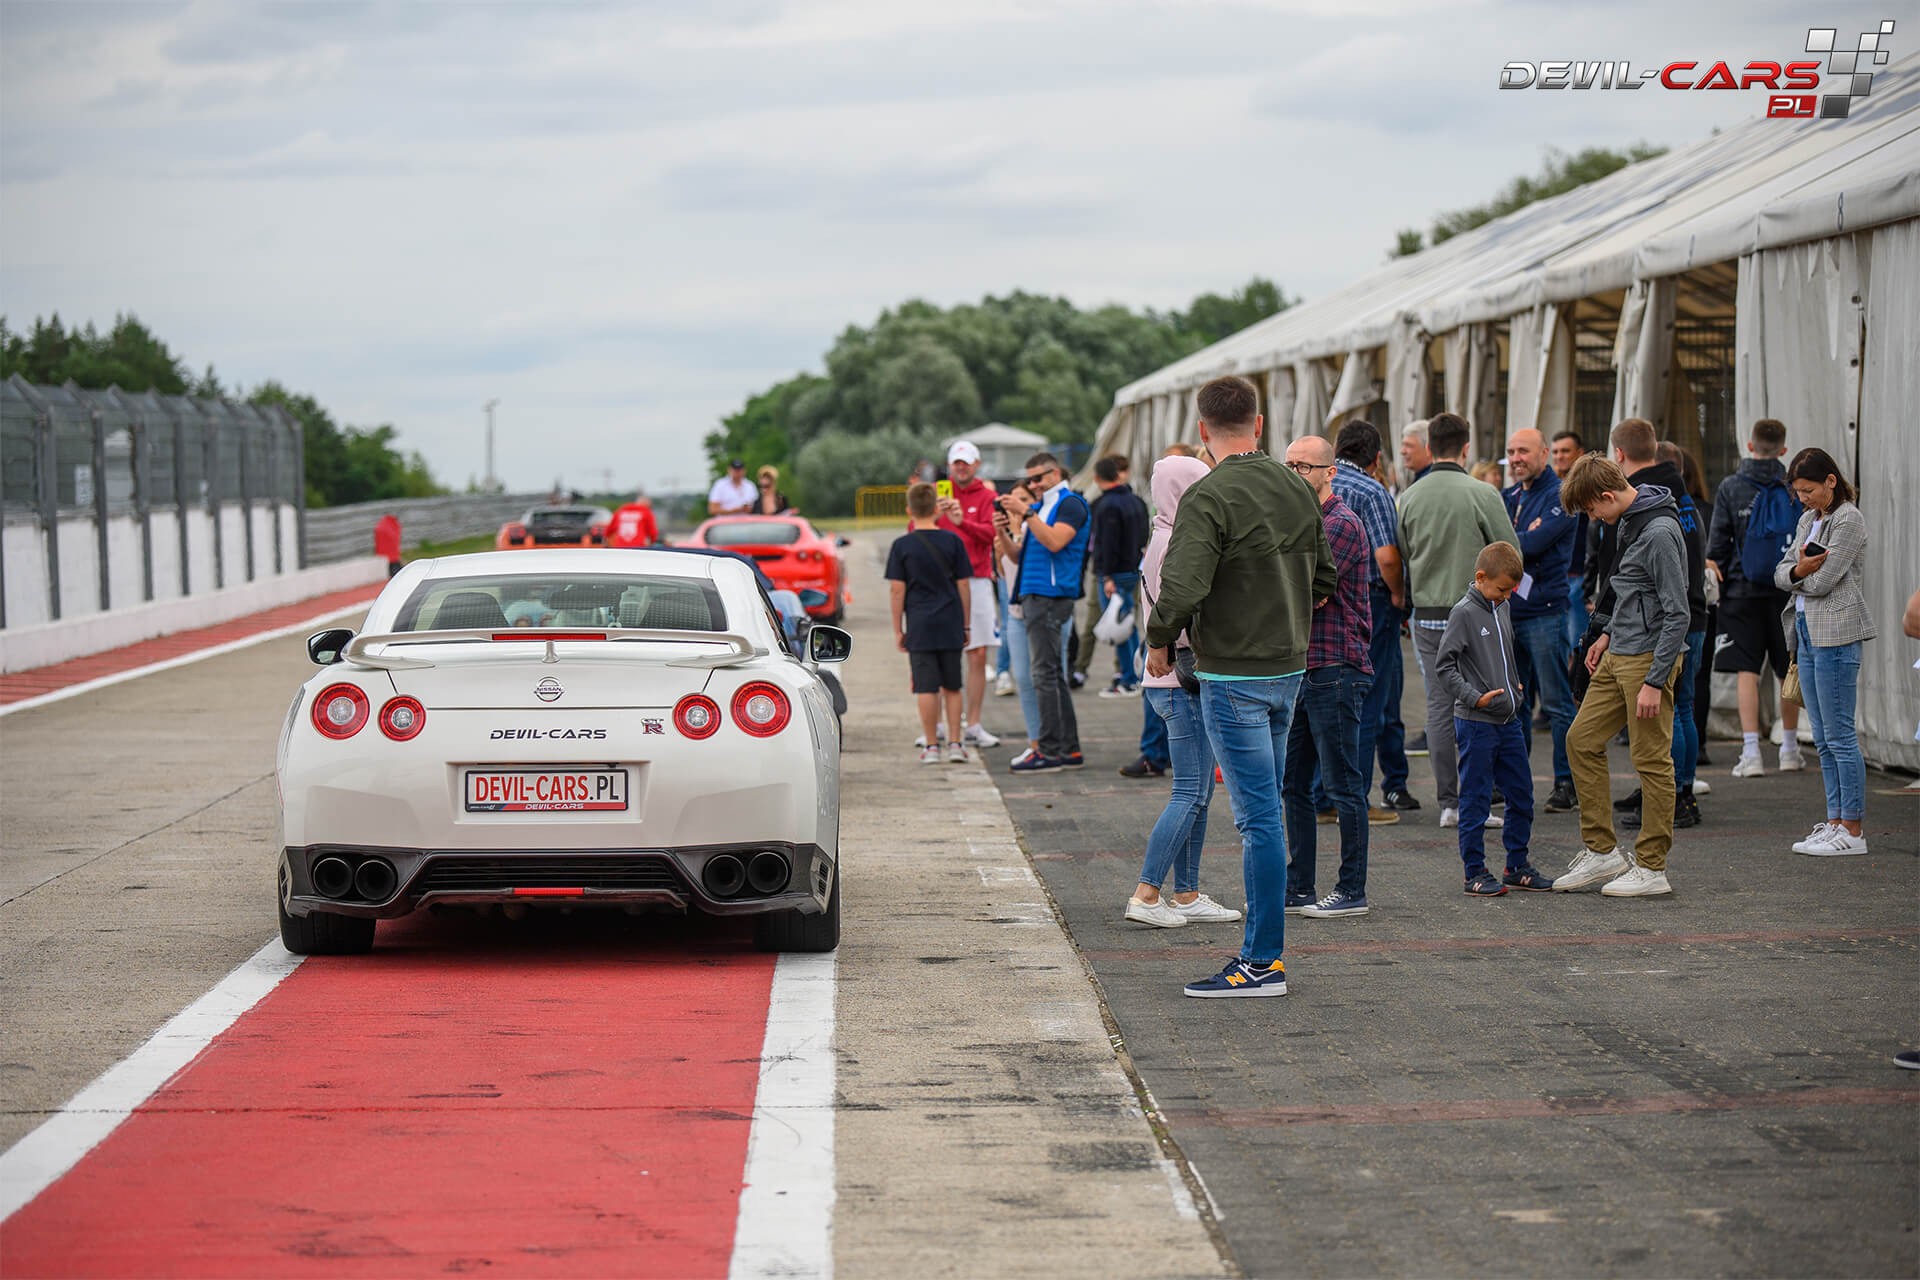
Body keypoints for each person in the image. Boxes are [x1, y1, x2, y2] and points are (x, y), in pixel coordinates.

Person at [1144, 375, 1335, 999]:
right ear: (1259, 423)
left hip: (1233, 674)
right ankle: (1262, 958)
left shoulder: (1209, 493)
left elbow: (1183, 585)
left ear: (1203, 430)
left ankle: (1260, 962)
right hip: (1288, 667)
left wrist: (1159, 639)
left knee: (1258, 821)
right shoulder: (1296, 485)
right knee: (1267, 812)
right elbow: (1325, 576)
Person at [1553, 453, 1690, 897]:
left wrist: (1655, 679)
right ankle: (1602, 852)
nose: (1593, 518)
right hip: (1621, 651)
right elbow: (1634, 591)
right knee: (1581, 740)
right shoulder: (1632, 519)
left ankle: (1652, 867)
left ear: (1607, 495)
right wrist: (1608, 634)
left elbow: (1678, 612)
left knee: (1651, 761)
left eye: (1592, 509)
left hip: (1647, 659)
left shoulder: (1659, 531)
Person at [1124, 454, 1242, 929]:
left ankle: (1187, 893)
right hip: (1180, 677)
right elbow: (1179, 609)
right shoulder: (1178, 541)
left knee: (1198, 792)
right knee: (1191, 791)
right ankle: (1147, 893)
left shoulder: (1161, 534)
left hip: (1167, 678)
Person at [1396, 411, 1520, 830]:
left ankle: (1449, 802)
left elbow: (1402, 552)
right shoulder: (1482, 493)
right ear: (1466, 448)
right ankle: (1476, 799)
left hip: (1428, 614)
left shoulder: (1410, 497)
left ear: (1429, 448)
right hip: (1475, 611)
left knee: (1438, 704)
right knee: (1481, 702)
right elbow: (1510, 552)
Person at [1280, 436, 1378, 918]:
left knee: (1342, 787)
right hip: (1304, 668)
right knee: (1293, 784)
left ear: (1329, 472)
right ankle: (1299, 886)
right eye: (1289, 465)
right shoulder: (1299, 521)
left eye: (1304, 466)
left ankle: (1351, 889)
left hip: (1335, 666)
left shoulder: (1339, 523)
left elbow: (1304, 592)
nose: (1295, 473)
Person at [1434, 541, 1555, 895]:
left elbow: (1505, 652)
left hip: (1509, 720)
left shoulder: (1501, 606)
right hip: (1476, 723)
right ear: (1481, 577)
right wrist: (1475, 697)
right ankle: (1474, 872)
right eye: (1502, 589)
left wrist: (1514, 685)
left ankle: (1516, 865)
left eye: (1510, 590)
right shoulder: (1463, 613)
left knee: (1522, 795)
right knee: (1475, 799)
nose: (1506, 596)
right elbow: (1444, 666)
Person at [1605, 427, 1707, 832]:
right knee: (1683, 708)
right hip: (1692, 611)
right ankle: (1678, 791)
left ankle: (1674, 796)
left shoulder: (1642, 503)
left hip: (1668, 620)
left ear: (1619, 454)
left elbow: (1622, 568)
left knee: (1672, 711)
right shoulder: (1679, 496)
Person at [1778, 448, 1876, 856]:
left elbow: (1824, 581)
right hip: (1805, 630)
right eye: (1798, 492)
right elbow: (1781, 572)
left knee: (1839, 734)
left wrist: (1798, 573)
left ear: (1830, 481)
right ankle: (1834, 821)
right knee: (1820, 735)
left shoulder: (1848, 519)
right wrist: (1799, 570)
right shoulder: (1808, 519)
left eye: (1809, 490)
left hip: (1836, 633)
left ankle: (1852, 828)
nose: (1803, 498)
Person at [1706, 418, 1804, 776]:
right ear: (1783, 449)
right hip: (1786, 590)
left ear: (1750, 446)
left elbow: (1718, 543)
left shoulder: (1731, 486)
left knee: (1747, 670)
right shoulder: (1794, 485)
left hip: (1740, 591)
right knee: (1786, 668)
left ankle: (1751, 753)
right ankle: (1790, 748)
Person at [1331, 421, 1416, 814]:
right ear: (1376, 457)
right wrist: (1398, 594)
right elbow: (1387, 557)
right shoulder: (1371, 490)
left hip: (1323, 602)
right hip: (1370, 601)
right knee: (1368, 697)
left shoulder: (1315, 483)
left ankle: (1322, 795)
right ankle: (1356, 798)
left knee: (1326, 698)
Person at [1502, 428, 1579, 814]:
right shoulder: (1509, 495)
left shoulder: (1561, 495)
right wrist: (1519, 537)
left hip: (1546, 613)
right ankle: (1516, 782)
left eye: (1524, 451)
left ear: (1543, 453)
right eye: (1511, 451)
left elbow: (1528, 545)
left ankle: (1567, 783)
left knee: (1556, 703)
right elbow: (1495, 544)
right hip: (1510, 613)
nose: (1516, 458)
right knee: (1515, 704)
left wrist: (1514, 538)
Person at [999, 453, 1090, 772]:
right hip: (1036, 595)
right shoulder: (1043, 506)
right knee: (1051, 675)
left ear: (1056, 473)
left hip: (1050, 596)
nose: (1034, 485)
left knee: (1045, 675)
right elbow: (1019, 556)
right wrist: (1004, 531)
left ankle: (1050, 751)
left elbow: (1055, 542)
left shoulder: (1070, 504)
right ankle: (1067, 749)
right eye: (1030, 480)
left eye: (1038, 478)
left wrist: (1027, 513)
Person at [886, 483, 973, 765]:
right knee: (952, 686)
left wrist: (898, 629)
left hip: (920, 624)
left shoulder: (902, 546)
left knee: (926, 687)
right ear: (937, 509)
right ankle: (956, 744)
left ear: (909, 511)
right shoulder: (954, 541)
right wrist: (966, 624)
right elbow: (963, 585)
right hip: (950, 621)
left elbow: (897, 591)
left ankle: (932, 746)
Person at [934, 441, 1002, 749]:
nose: (961, 467)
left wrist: (964, 522)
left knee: (977, 654)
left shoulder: (987, 497)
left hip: (976, 580)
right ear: (950, 465)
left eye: (966, 462)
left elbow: (992, 535)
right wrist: (935, 515)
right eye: (956, 463)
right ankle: (937, 723)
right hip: (941, 581)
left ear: (976, 464)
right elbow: (914, 528)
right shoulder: (937, 493)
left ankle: (973, 724)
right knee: (939, 653)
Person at [1090, 455, 1149, 697]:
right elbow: (1144, 535)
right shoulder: (1136, 501)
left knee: (1120, 627)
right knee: (1128, 624)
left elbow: (1107, 544)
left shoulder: (1107, 505)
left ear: (1097, 477)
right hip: (1133, 568)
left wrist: (1107, 576)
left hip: (1114, 573)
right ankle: (1136, 673)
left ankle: (1130, 678)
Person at [1551, 431, 1592, 651]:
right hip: (1557, 576)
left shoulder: (1589, 486)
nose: (1560, 456)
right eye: (1556, 452)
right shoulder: (1550, 488)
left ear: (1579, 453)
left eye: (1565, 451)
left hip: (1580, 575)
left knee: (1578, 642)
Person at [1400, 420, 1433, 485]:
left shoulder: (1430, 481)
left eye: (1409, 445)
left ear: (1428, 448)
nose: (1402, 451)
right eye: (1403, 445)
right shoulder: (1422, 477)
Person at [373, 513, 402, 577]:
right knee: (396, 572)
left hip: (384, 555)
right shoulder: (391, 526)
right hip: (392, 556)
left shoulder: (382, 525)